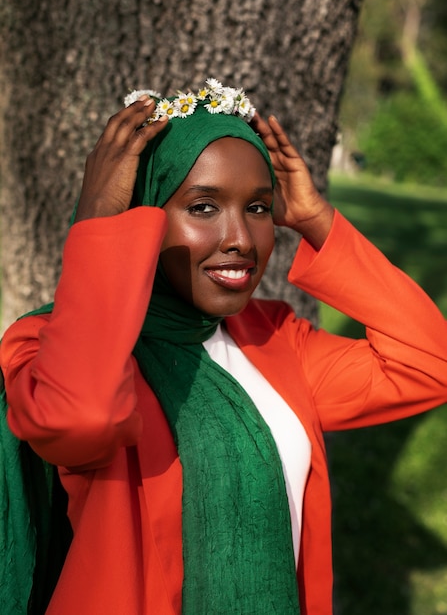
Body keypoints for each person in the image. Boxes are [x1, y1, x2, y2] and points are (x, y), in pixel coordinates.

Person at [1, 78, 446, 615]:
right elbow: (80, 418)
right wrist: (97, 222)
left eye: (258, 208)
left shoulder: (276, 343)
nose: (240, 238)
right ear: (141, 213)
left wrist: (316, 220)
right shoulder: (53, 346)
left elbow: (429, 363)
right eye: (204, 207)